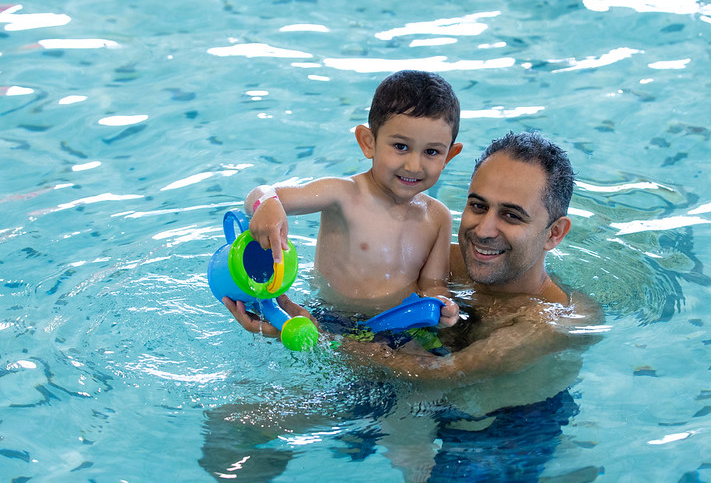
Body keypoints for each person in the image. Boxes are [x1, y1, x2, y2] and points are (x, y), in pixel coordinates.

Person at [209, 131, 605, 481]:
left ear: (554, 233)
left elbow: (443, 375)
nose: (484, 230)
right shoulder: (441, 263)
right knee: (232, 430)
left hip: (499, 423)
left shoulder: (554, 320)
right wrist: (278, 304)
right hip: (395, 379)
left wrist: (307, 338)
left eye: (511, 215)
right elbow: (359, 304)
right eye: (478, 206)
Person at [224, 70, 462, 334]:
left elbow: (434, 284)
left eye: (431, 152)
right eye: (400, 146)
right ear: (368, 142)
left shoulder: (439, 217)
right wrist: (267, 204)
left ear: (449, 155)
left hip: (400, 325)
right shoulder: (342, 195)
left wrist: (443, 305)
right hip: (331, 320)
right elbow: (265, 194)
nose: (414, 165)